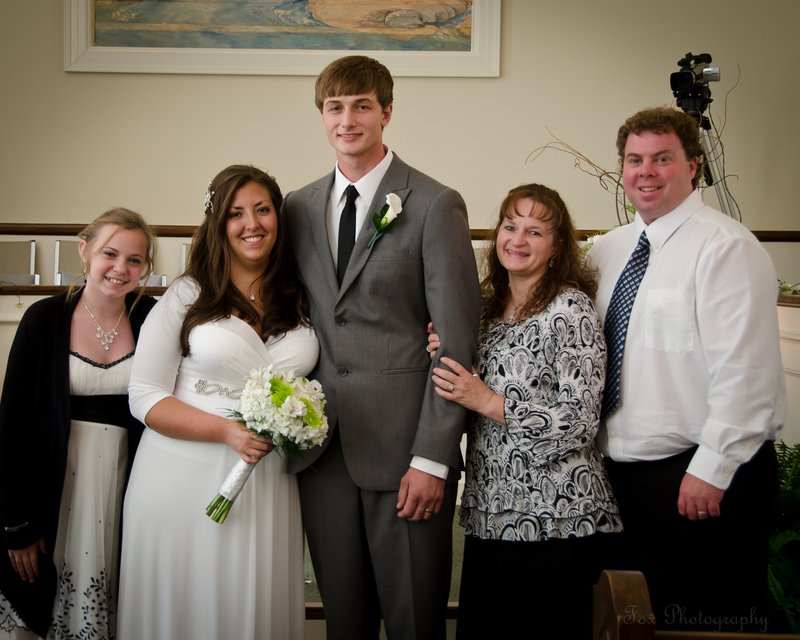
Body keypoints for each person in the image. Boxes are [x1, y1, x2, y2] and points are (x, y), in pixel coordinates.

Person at [283, 55, 481, 640]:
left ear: (386, 112)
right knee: (343, 622)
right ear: (322, 116)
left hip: (405, 454)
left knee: (415, 620)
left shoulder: (434, 203)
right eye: (335, 108)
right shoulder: (296, 206)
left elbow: (457, 340)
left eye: (362, 106)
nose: (348, 119)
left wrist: (432, 457)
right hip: (322, 452)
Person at [586, 106, 786, 631]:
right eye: (634, 159)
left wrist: (712, 469)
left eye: (662, 158)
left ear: (692, 166)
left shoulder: (726, 248)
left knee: (707, 622)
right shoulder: (608, 251)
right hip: (624, 481)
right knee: (631, 621)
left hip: (700, 478)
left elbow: (747, 374)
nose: (645, 171)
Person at [117, 165, 317, 640]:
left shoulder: (303, 297)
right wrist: (226, 431)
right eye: (236, 213)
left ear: (278, 217)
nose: (252, 223)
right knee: (188, 605)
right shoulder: (187, 294)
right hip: (181, 476)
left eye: (263, 209)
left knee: (251, 604)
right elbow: (144, 396)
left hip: (267, 482)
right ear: (218, 224)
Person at [428, 183, 622, 638]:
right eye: (510, 226)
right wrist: (441, 351)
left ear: (557, 247)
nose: (517, 239)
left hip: (558, 517)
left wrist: (487, 401)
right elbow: (462, 387)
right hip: (492, 512)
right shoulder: (484, 310)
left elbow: (578, 421)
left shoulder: (570, 308)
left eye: (535, 231)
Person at [0, 209, 158, 639]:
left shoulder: (153, 319)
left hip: (124, 487)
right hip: (50, 490)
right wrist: (16, 527)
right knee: (39, 612)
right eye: (111, 253)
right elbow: (10, 426)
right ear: (85, 251)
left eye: (134, 260)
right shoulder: (44, 319)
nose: (120, 268)